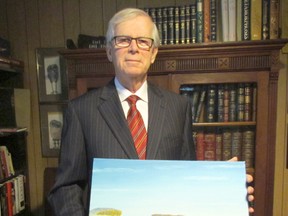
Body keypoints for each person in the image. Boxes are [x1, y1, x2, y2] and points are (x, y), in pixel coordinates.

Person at [48, 8, 254, 216]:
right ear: (109, 51)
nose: (134, 48)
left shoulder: (178, 107)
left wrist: (223, 188)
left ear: (153, 53)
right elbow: (66, 187)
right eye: (123, 40)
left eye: (143, 41)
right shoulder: (81, 111)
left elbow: (184, 181)